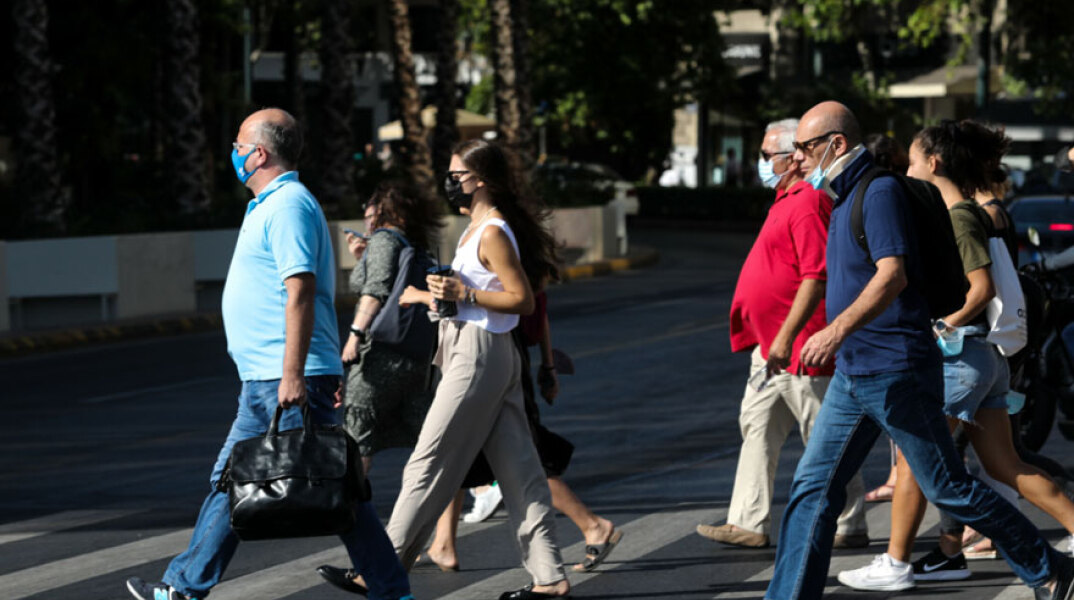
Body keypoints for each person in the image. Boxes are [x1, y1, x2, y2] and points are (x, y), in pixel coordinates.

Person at [763, 101, 1074, 600]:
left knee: (948, 486)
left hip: (895, 369)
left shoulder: (878, 192)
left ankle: (1051, 570)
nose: (796, 157)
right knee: (812, 489)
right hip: (855, 372)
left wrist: (835, 331)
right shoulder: (842, 197)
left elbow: (893, 275)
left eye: (804, 147)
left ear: (836, 144)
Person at [124, 108, 413, 600]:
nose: (233, 153)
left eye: (239, 145)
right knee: (287, 482)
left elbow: (300, 289)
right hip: (272, 374)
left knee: (303, 483)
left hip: (282, 375)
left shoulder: (288, 206)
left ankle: (183, 588)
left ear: (259, 153)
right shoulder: (270, 204)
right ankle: (390, 589)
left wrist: (293, 373)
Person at [323, 139, 571, 600]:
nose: (450, 183)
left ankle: (380, 569)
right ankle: (550, 578)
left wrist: (464, 293)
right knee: (520, 471)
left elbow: (522, 300)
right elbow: (471, 299)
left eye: (457, 175)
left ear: (482, 180)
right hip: (478, 350)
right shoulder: (473, 229)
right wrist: (436, 296)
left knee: (428, 460)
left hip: (479, 355)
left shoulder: (492, 231)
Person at [695, 118, 867, 550]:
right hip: (771, 346)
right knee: (757, 425)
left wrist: (787, 338)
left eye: (765, 155)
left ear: (791, 158)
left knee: (823, 435)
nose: (760, 163)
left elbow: (816, 275)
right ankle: (748, 521)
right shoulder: (787, 200)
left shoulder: (808, 201)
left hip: (801, 344)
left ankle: (849, 523)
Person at [424, 290, 621, 573]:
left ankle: (592, 525)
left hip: (492, 356)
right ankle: (444, 543)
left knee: (520, 455)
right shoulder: (516, 263)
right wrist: (548, 364)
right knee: (458, 449)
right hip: (493, 354)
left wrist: (420, 295)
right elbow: (538, 309)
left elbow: (525, 304)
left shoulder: (497, 263)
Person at [340, 182, 441, 475]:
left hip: (381, 354)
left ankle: (353, 501)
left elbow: (375, 291)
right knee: (427, 438)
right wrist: (362, 258)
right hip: (416, 356)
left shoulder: (385, 240)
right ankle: (472, 489)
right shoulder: (413, 245)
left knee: (358, 435)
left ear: (386, 211)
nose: (368, 219)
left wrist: (354, 335)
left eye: (372, 211)